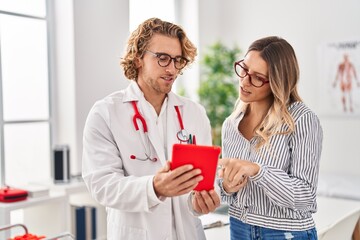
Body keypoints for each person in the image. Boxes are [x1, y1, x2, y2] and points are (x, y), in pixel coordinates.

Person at [82, 18, 220, 240]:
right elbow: (102, 185)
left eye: (178, 60)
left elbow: (206, 180)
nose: (172, 69)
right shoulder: (105, 113)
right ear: (138, 58)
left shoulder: (194, 113)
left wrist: (202, 201)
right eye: (162, 59)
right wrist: (153, 187)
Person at [218, 36, 323, 240]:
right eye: (244, 69)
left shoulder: (302, 119)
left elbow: (305, 196)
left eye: (257, 77)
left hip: (286, 232)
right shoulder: (230, 124)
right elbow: (226, 191)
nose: (244, 81)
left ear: (277, 82)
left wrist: (258, 170)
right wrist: (226, 187)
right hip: (239, 228)